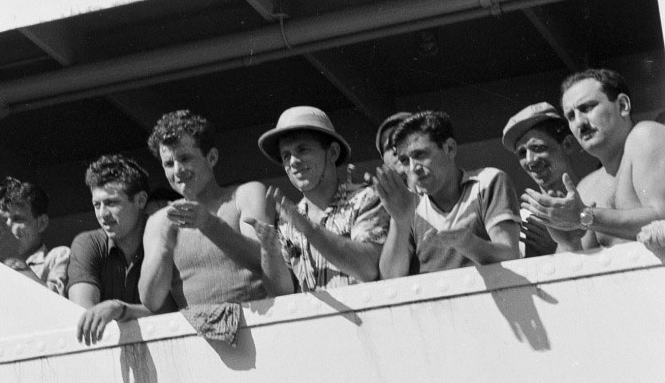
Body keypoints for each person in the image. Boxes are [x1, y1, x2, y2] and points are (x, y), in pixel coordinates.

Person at [139, 110, 280, 311]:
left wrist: (210, 224)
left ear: (212, 157)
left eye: (185, 158)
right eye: (169, 163)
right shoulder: (158, 221)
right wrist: (164, 245)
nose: (177, 170)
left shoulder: (245, 195)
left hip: (259, 327)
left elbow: (266, 263)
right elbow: (151, 301)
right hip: (199, 338)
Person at [522, 67, 665, 247]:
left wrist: (584, 216)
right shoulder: (587, 187)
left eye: (587, 108)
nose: (580, 123)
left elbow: (662, 220)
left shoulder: (646, 135)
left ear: (622, 106)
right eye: (571, 116)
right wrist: (567, 239)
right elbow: (578, 263)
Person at [375, 110, 522, 277]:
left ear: (450, 148)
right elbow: (389, 277)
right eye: (404, 161)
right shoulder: (409, 204)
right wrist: (399, 221)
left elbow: (509, 254)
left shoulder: (488, 181)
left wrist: (468, 243)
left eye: (420, 155)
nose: (413, 168)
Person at [255, 105, 387, 291]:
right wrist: (268, 250)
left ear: (332, 152)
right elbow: (281, 293)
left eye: (303, 149)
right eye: (286, 155)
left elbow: (367, 269)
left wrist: (308, 229)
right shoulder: (286, 221)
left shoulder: (365, 199)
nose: (293, 161)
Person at [68, 154, 151, 343]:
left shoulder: (164, 237)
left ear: (140, 200)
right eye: (97, 205)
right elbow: (85, 316)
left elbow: (172, 313)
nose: (102, 214)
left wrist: (118, 309)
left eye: (111, 203)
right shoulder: (87, 243)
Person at [501, 101, 596, 256]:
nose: (530, 160)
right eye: (522, 153)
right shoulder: (523, 221)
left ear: (566, 144)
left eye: (538, 147)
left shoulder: (594, 197)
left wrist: (558, 246)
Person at [0, 179, 70, 294]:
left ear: (41, 223)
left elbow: (55, 303)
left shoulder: (58, 257)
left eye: (17, 219)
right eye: (2, 220)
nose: (7, 226)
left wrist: (13, 259)